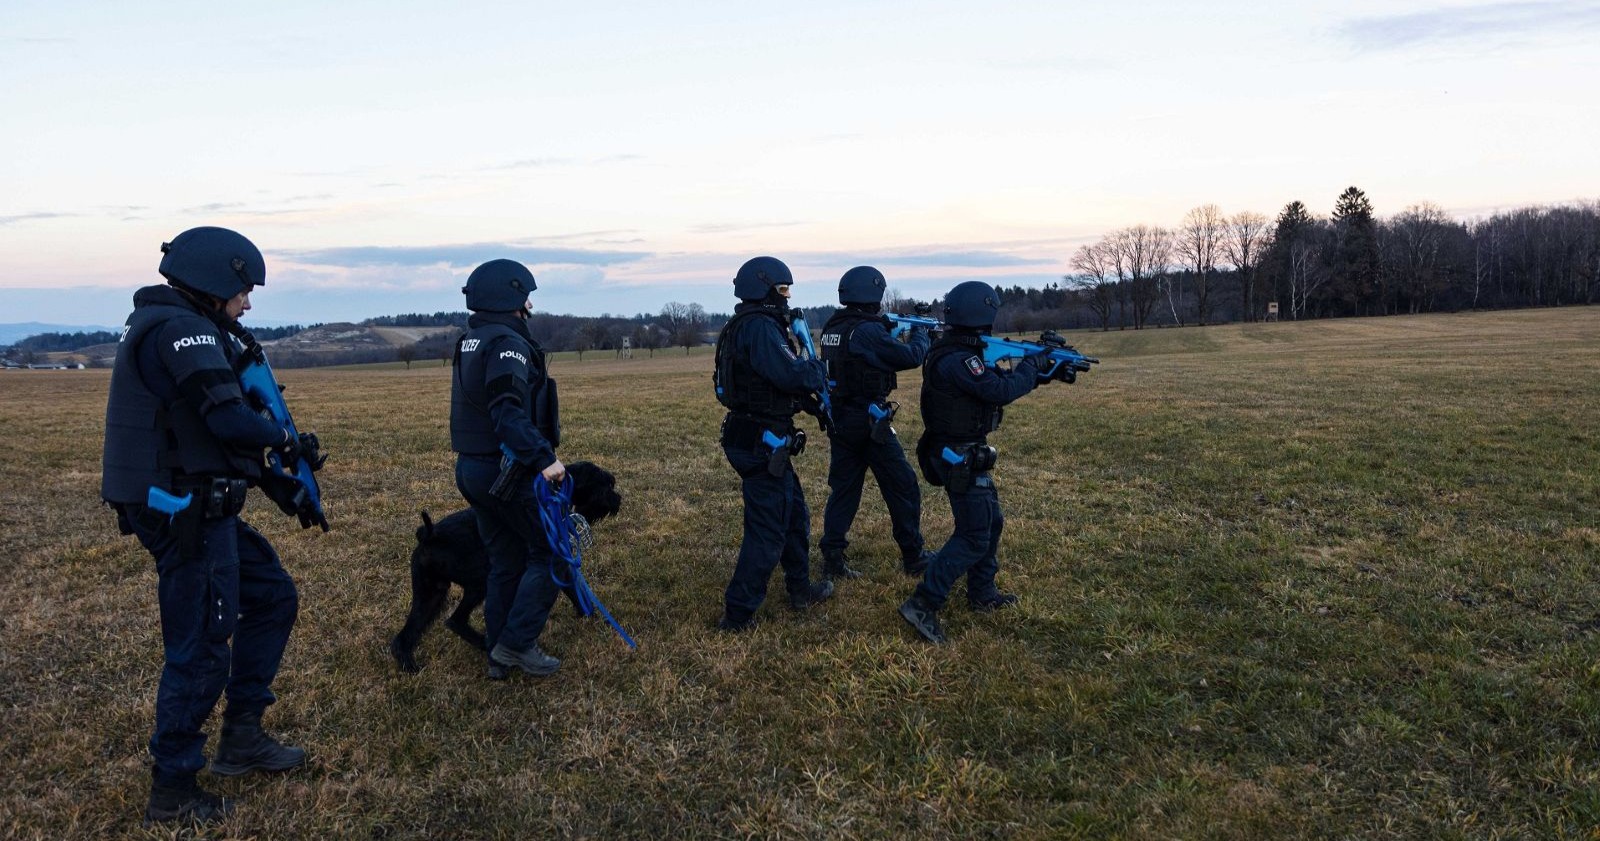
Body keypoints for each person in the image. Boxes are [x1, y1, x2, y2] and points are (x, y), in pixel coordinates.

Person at [102, 226, 316, 826]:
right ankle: (173, 790)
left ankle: (241, 739)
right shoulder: (183, 329)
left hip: (198, 505)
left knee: (271, 595)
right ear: (216, 280)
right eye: (244, 289)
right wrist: (286, 438)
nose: (247, 302)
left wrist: (280, 474)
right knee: (199, 648)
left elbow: (205, 426)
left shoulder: (166, 322)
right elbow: (229, 419)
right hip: (186, 514)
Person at [898, 281, 1053, 644]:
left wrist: (1042, 371)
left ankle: (982, 593)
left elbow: (997, 379)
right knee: (972, 535)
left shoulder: (956, 351)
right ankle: (922, 603)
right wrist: (1033, 366)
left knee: (990, 523)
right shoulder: (959, 359)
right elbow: (998, 390)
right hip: (958, 455)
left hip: (961, 451)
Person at [449, 259, 566, 680]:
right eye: (525, 298)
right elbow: (507, 413)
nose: (530, 306)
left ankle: (499, 651)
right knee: (553, 554)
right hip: (506, 471)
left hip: (473, 470)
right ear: (510, 298)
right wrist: (545, 459)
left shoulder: (472, 340)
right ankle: (517, 645)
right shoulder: (508, 345)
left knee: (506, 560)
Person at [712, 256, 835, 631]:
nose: (787, 297)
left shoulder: (745, 326)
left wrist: (806, 405)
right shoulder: (761, 328)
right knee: (767, 531)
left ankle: (800, 589)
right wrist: (818, 369)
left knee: (794, 514)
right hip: (761, 443)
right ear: (762, 288)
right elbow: (789, 373)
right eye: (782, 289)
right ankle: (738, 614)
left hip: (758, 435)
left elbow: (766, 383)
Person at [816, 266, 935, 579]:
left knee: (844, 490)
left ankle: (832, 558)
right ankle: (914, 556)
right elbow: (909, 356)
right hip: (867, 420)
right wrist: (922, 333)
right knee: (903, 485)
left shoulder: (834, 325)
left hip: (840, 419)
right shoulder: (866, 330)